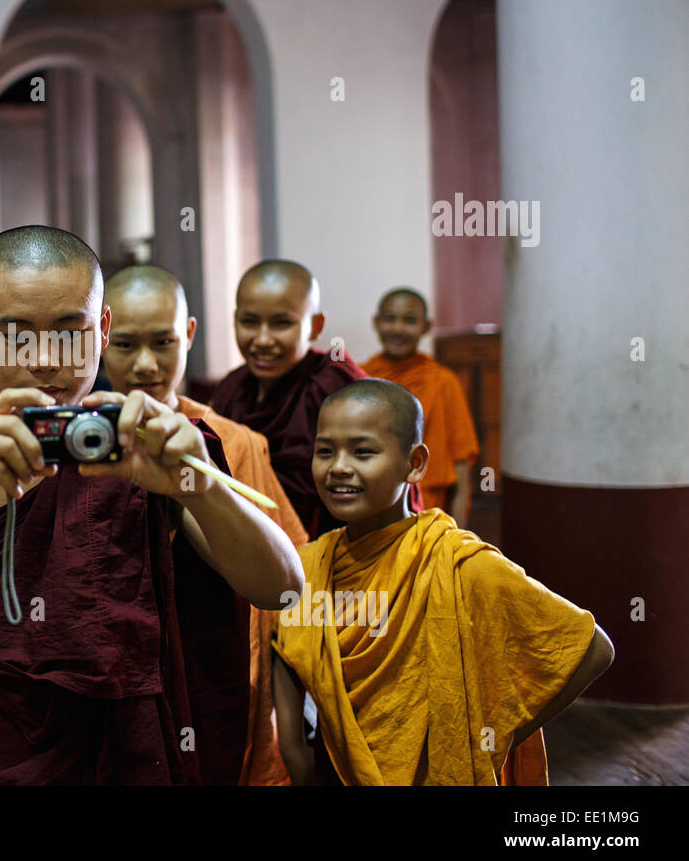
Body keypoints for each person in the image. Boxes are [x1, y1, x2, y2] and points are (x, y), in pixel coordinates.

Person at [0, 226, 304, 785]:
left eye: (71, 332)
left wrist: (196, 487)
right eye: (15, 337)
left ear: (102, 329)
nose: (44, 360)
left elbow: (282, 587)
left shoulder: (148, 449)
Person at [271, 379, 613, 785]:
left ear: (415, 463)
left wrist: (490, 735)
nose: (338, 467)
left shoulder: (456, 562)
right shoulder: (308, 567)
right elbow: (289, 681)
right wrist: (296, 756)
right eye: (325, 451)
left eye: (363, 451)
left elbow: (592, 648)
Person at [102, 264, 307, 785]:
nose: (146, 364)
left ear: (189, 334)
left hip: (213, 675)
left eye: (163, 342)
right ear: (101, 338)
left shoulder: (233, 443)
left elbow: (284, 586)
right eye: (125, 345)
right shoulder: (79, 442)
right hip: (110, 679)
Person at [210, 260, 366, 538]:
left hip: (331, 549)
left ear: (316, 326)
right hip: (243, 544)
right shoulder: (231, 388)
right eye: (249, 322)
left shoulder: (335, 387)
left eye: (282, 323)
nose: (263, 339)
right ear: (235, 320)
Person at [362, 288, 479, 525]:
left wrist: (458, 532)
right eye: (389, 319)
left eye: (409, 320)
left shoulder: (443, 381)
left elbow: (461, 461)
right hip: (372, 504)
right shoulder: (362, 378)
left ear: (425, 327)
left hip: (430, 508)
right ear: (376, 322)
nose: (398, 328)